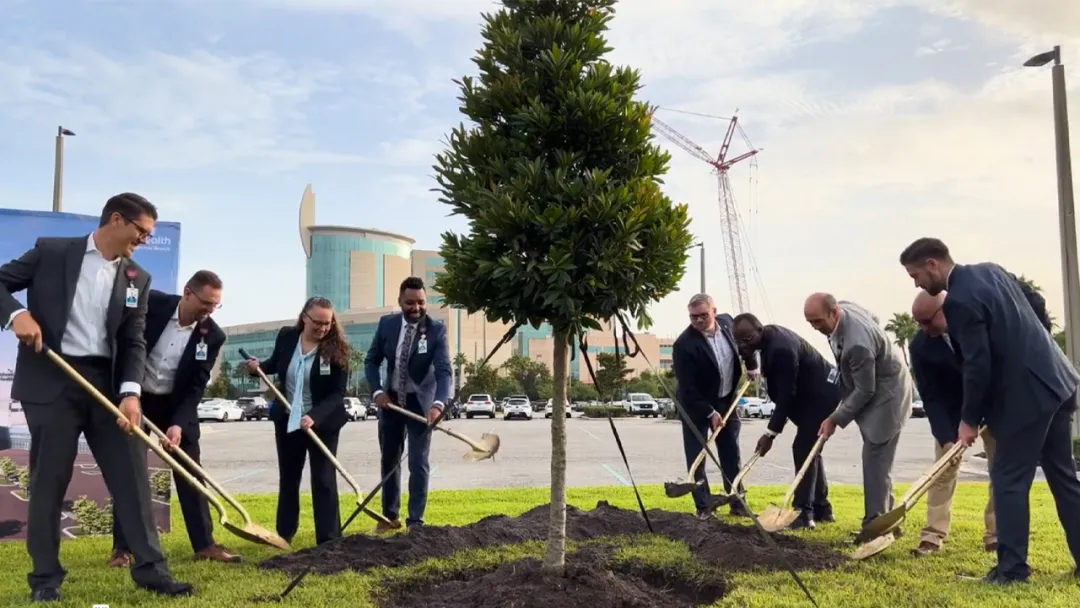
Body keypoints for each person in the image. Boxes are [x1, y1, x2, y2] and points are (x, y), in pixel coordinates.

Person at [0, 193, 193, 602]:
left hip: (106, 385)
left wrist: (130, 393)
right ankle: (46, 579)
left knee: (133, 478)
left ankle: (151, 571)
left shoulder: (138, 279)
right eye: (140, 231)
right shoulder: (51, 253)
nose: (142, 240)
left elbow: (133, 340)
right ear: (116, 220)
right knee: (49, 481)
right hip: (53, 377)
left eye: (148, 235)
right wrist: (18, 315)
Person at [900, 237, 1080, 583]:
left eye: (916, 275)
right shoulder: (991, 272)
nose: (917, 282)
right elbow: (1033, 300)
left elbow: (977, 364)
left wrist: (968, 420)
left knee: (1008, 481)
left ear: (933, 264)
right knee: (1063, 478)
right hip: (1057, 382)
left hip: (1024, 399)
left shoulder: (960, 301)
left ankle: (1011, 571)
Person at [110, 270, 240, 566]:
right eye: (206, 303)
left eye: (215, 306)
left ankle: (205, 544)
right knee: (131, 471)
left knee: (191, 472)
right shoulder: (152, 304)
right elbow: (125, 341)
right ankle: (122, 549)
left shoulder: (213, 335)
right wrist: (126, 393)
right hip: (136, 397)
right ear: (187, 293)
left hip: (175, 404)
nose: (209, 311)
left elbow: (196, 384)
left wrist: (179, 423)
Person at [243, 297, 350, 546]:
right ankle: (284, 534)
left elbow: (337, 394)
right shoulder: (287, 336)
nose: (323, 328)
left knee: (323, 479)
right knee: (289, 476)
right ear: (304, 317)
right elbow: (275, 364)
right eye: (318, 322)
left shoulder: (338, 349)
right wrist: (257, 367)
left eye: (328, 323)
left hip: (321, 422)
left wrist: (314, 417)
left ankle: (329, 539)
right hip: (288, 419)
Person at [804, 293, 912, 531]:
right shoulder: (844, 308)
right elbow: (873, 317)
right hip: (875, 388)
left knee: (875, 463)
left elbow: (865, 390)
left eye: (818, 322)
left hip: (887, 398)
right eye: (810, 323)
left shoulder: (857, 345)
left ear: (834, 313)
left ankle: (875, 526)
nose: (815, 328)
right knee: (878, 464)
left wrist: (835, 419)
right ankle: (884, 520)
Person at [909, 289, 1000, 556]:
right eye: (919, 323)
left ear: (945, 309)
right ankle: (932, 536)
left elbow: (989, 369)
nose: (923, 329)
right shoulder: (920, 346)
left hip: (992, 405)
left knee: (1000, 470)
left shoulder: (977, 326)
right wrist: (946, 438)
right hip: (953, 412)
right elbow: (931, 396)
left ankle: (997, 534)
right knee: (942, 470)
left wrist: (980, 415)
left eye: (927, 321)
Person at [732, 313, 841, 530]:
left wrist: (770, 434)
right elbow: (748, 350)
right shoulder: (762, 339)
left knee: (803, 448)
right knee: (811, 451)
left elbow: (786, 397)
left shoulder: (781, 349)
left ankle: (803, 513)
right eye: (739, 342)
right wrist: (750, 360)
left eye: (747, 339)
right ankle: (822, 508)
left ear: (759, 330)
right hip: (808, 395)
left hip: (821, 395)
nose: (743, 346)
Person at [364, 277, 452, 531]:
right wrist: (378, 391)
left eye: (421, 302)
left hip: (419, 404)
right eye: (410, 302)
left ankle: (416, 522)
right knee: (389, 459)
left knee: (418, 461)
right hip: (390, 402)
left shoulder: (437, 330)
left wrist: (438, 404)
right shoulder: (387, 325)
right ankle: (390, 516)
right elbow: (371, 361)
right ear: (400, 301)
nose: (416, 308)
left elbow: (444, 371)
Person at [671, 293, 751, 519]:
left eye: (703, 315)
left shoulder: (728, 323)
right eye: (693, 316)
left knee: (731, 452)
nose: (698, 320)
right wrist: (710, 412)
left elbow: (746, 346)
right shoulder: (684, 345)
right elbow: (687, 388)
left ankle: (737, 501)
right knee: (697, 455)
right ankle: (704, 506)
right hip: (695, 405)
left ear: (715, 312)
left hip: (726, 399)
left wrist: (752, 365)